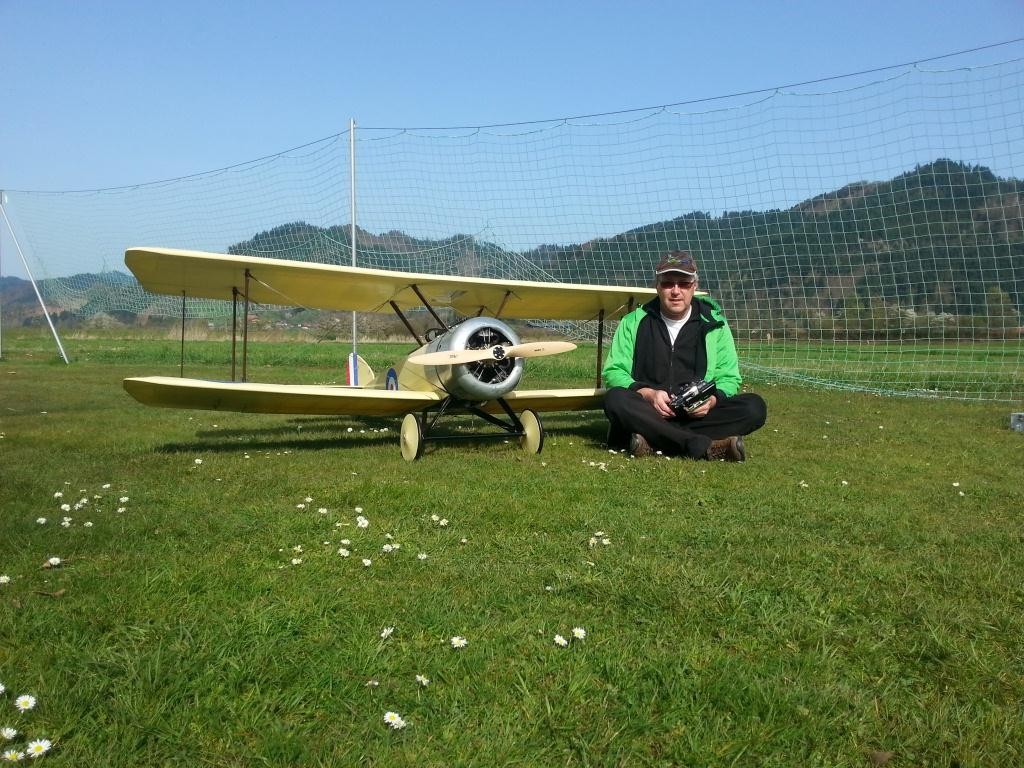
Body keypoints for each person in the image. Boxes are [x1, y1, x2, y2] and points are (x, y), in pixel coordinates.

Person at [602, 250, 767, 460]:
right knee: (615, 399)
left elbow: (729, 377)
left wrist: (712, 401)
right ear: (657, 285)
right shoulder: (633, 322)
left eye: (684, 283)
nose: (675, 291)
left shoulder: (715, 323)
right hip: (650, 411)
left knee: (754, 407)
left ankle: (653, 440)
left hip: (699, 415)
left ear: (694, 286)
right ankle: (698, 444)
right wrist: (648, 394)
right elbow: (614, 371)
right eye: (668, 283)